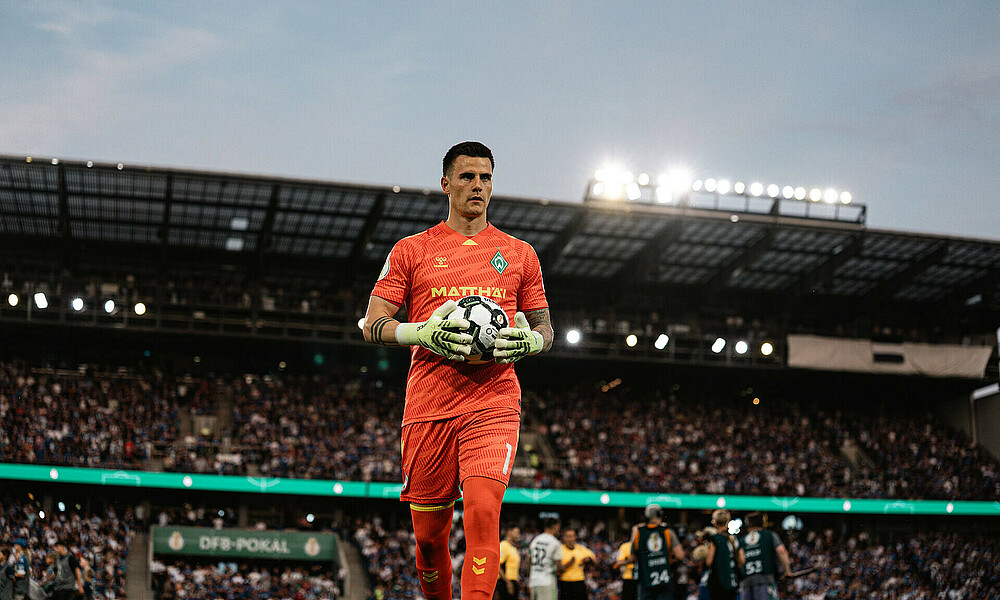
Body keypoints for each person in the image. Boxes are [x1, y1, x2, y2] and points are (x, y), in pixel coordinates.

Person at [362, 141, 553, 600]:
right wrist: (419, 334)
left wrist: (532, 341)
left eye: (486, 177)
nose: (478, 186)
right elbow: (372, 323)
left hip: (494, 400)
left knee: (484, 514)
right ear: (445, 184)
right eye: (467, 177)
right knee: (429, 540)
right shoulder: (413, 250)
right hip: (429, 404)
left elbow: (546, 328)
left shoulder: (520, 253)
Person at [630, 505, 685, 600]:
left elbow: (632, 558)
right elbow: (680, 556)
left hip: (645, 580)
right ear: (660, 515)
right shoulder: (667, 532)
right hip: (664, 579)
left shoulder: (638, 533)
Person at [739, 514, 791, 600]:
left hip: (746, 584)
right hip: (765, 581)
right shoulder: (769, 535)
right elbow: (782, 552)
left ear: (749, 524)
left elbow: (739, 562)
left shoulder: (741, 540)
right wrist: (787, 571)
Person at [704, 511, 743, 600]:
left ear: (715, 523)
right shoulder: (734, 538)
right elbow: (742, 560)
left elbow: (709, 561)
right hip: (733, 581)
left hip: (718, 582)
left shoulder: (715, 538)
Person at [528, 518, 564, 600]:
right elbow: (559, 566)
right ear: (555, 526)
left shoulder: (535, 540)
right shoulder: (555, 543)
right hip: (547, 581)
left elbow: (529, 560)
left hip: (534, 581)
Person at [557, 528, 595, 600]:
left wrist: (589, 560)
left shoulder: (581, 549)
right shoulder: (559, 550)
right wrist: (568, 564)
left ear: (575, 537)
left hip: (579, 582)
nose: (570, 539)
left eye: (572, 536)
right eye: (567, 536)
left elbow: (594, 561)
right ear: (564, 538)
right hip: (565, 582)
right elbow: (557, 570)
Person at [496, 526, 521, 600]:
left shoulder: (513, 548)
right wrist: (508, 582)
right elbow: (498, 565)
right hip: (505, 583)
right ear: (509, 532)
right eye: (516, 533)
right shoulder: (503, 546)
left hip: (513, 581)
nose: (518, 535)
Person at [611, 535, 637, 600]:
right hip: (629, 577)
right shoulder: (625, 546)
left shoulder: (646, 544)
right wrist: (629, 560)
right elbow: (618, 562)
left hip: (643, 579)